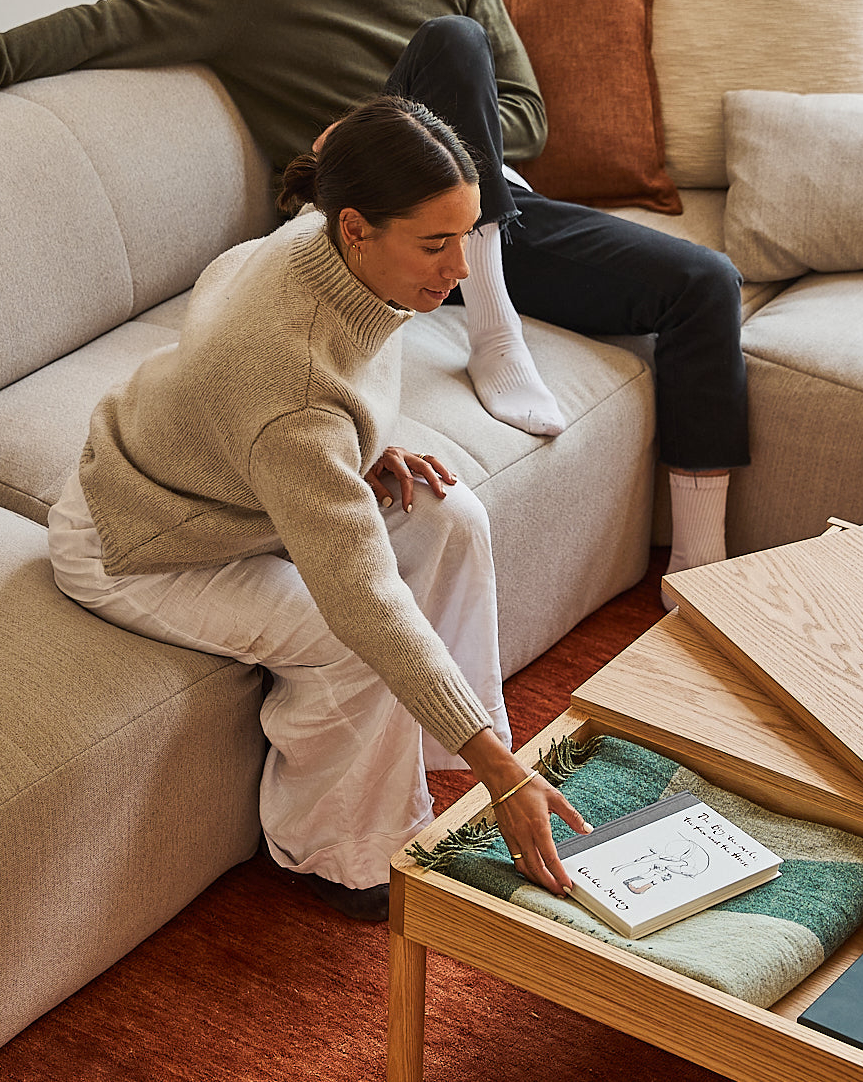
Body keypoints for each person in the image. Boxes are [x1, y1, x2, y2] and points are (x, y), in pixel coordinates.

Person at [0, 0, 747, 597]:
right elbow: (99, 23)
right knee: (451, 44)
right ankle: (492, 322)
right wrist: (366, 149)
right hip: (375, 235)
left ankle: (697, 565)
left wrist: (404, 132)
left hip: (492, 207)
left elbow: (527, 118)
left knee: (706, 282)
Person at [46, 94, 591, 922]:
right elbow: (363, 601)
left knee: (452, 515)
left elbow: (243, 295)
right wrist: (504, 772)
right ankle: (340, 854)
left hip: (236, 485)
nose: (460, 270)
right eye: (436, 244)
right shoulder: (293, 391)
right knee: (354, 644)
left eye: (468, 236)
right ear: (356, 229)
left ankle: (448, 756)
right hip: (141, 540)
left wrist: (359, 447)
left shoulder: (322, 240)